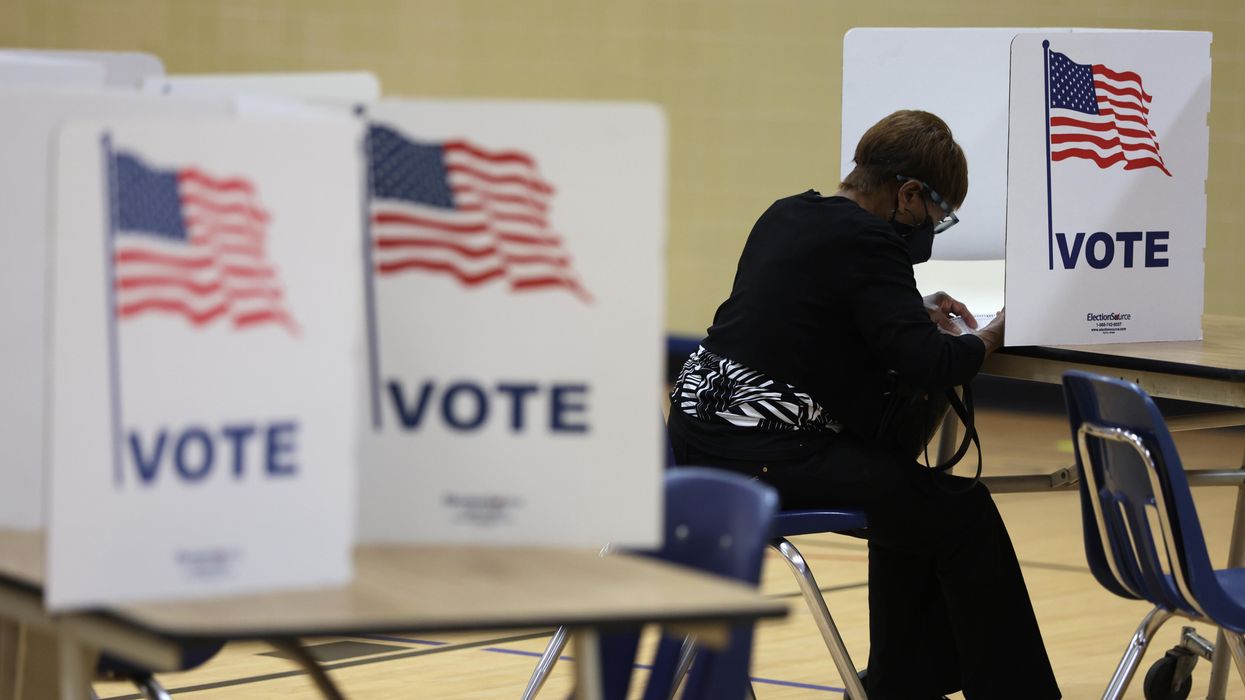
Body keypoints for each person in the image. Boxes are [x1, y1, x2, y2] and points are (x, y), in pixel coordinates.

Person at [667, 110, 1060, 699]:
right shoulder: (872, 240)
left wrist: (906, 311)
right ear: (908, 195)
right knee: (962, 511)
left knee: (905, 494)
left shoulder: (788, 212)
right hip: (761, 456)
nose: (931, 228)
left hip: (696, 440)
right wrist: (996, 331)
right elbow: (932, 364)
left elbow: (814, 318)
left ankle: (904, 682)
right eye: (938, 215)